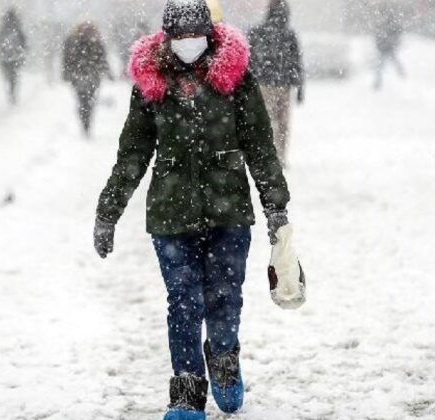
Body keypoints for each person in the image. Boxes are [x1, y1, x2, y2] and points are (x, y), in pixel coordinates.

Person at [93, 0, 292, 418]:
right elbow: (132, 153)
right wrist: (108, 211)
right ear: (167, 38)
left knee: (224, 296)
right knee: (183, 301)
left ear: (209, 33)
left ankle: (222, 360)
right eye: (179, 37)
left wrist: (276, 209)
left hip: (229, 212)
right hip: (170, 214)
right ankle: (185, 389)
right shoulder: (152, 84)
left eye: (194, 36)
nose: (187, 44)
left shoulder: (236, 80)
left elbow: (261, 148)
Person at [247, 0, 304, 166]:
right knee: (282, 124)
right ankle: (280, 157)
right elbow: (296, 62)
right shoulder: (289, 35)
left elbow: (248, 61)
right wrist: (299, 87)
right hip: (283, 86)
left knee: (263, 123)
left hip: (262, 85)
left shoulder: (257, 32)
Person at [63, 22, 111, 138]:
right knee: (88, 101)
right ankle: (86, 122)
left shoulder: (72, 40)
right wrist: (107, 72)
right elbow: (102, 58)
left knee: (83, 101)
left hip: (79, 76)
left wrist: (66, 73)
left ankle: (85, 122)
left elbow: (67, 58)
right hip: (92, 76)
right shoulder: (95, 40)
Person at [0, 8, 27, 105]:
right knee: (14, 76)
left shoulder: (4, 27)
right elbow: (23, 41)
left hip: (5, 57)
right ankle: (12, 92)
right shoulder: (17, 26)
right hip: (15, 56)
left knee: (9, 76)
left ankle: (11, 92)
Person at [374, 7, 405, 90]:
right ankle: (378, 82)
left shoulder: (386, 25)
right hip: (386, 48)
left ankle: (401, 74)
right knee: (382, 66)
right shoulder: (386, 25)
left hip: (387, 47)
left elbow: (398, 31)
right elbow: (378, 37)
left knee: (381, 66)